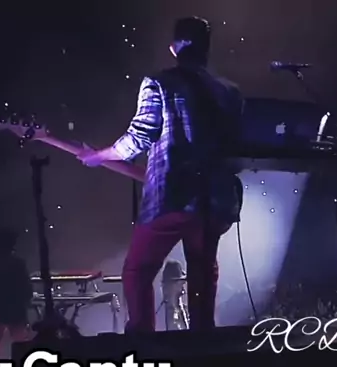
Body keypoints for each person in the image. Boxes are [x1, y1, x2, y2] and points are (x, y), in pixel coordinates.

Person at [76, 17, 244, 333]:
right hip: (216, 199)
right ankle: (204, 343)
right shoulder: (229, 92)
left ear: (176, 47)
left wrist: (100, 155)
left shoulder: (159, 83)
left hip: (172, 197)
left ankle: (143, 343)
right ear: (206, 49)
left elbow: (139, 138)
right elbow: (237, 145)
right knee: (203, 272)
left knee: (138, 271)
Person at [0, 228, 33, 358]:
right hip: (14, 309)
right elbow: (25, 286)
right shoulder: (17, 264)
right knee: (21, 343)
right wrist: (26, 299)